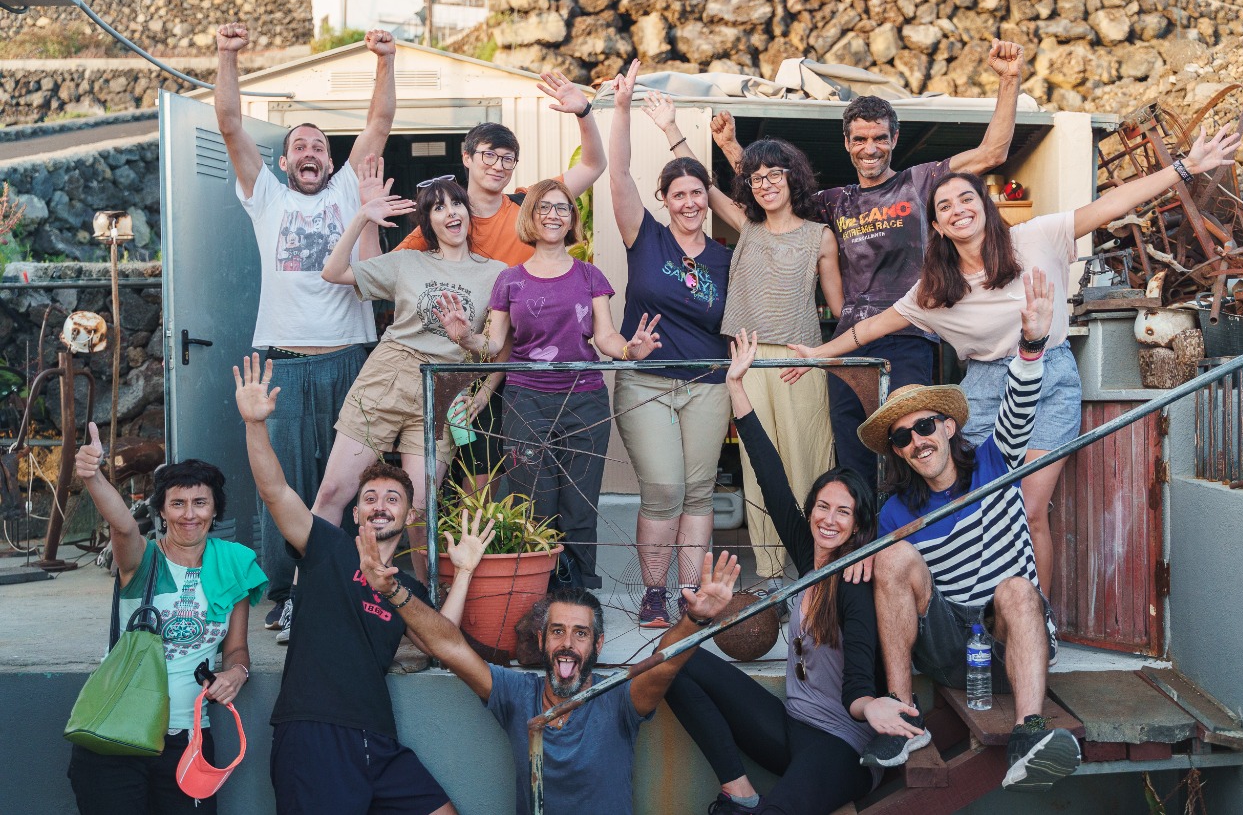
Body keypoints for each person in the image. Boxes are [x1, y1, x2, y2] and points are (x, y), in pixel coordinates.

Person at [790, 125, 1242, 599]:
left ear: (986, 208)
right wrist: (818, 354)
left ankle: (1035, 617)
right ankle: (973, 609)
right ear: (936, 226)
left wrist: (1184, 167)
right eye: (944, 207)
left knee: (1028, 510)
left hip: (1049, 379)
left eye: (967, 199)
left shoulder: (1036, 237)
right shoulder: (934, 289)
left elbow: (1110, 205)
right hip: (982, 392)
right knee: (971, 506)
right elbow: (868, 328)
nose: (957, 210)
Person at [715, 39, 1028, 488]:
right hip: (848, 343)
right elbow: (771, 191)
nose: (870, 148)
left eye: (880, 138)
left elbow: (992, 152)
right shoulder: (834, 201)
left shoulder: (920, 182)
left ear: (894, 139)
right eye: (860, 139)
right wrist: (731, 147)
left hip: (908, 336)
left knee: (913, 449)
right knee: (852, 457)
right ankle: (861, 533)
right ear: (846, 143)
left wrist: (1009, 79)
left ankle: (913, 529)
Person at [236, 353, 498, 815]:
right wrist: (255, 425)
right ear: (355, 512)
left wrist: (464, 572)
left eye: (392, 498)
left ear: (410, 515)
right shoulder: (326, 547)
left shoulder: (406, 589)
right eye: (370, 497)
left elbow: (442, 641)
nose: (380, 505)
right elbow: (275, 492)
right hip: (314, 731)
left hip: (378, 739)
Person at [853, 269, 1084, 792]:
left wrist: (1032, 344)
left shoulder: (994, 460)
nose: (917, 441)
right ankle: (905, 716)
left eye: (925, 426)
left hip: (1007, 646)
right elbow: (891, 591)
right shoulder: (896, 513)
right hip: (950, 649)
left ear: (949, 426)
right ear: (898, 452)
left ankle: (1028, 735)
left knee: (1018, 589)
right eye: (903, 437)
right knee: (890, 557)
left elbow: (1019, 404)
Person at [666, 330, 913, 815]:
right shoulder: (808, 554)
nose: (829, 519)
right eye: (823, 506)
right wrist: (736, 386)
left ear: (859, 523)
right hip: (792, 726)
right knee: (673, 660)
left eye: (843, 512)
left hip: (841, 745)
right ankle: (739, 791)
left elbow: (858, 676)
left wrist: (870, 706)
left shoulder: (855, 582)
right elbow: (770, 473)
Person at [353, 520, 741, 815]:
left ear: (598, 644)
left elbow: (664, 665)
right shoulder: (516, 695)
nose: (567, 643)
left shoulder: (616, 698)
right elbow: (449, 646)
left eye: (580, 634)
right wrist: (392, 591)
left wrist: (696, 619)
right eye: (557, 631)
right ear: (541, 641)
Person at [215, 21, 397, 634]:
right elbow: (230, 124)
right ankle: (289, 591)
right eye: (300, 146)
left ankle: (346, 584)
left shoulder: (348, 189)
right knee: (285, 484)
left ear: (331, 159)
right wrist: (227, 54)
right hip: (285, 365)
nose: (310, 153)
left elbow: (379, 122)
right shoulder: (265, 196)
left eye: (319, 145)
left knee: (348, 483)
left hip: (350, 359)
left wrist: (385, 60)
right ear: (284, 160)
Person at [644, 90, 839, 599]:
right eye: (757, 178)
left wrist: (823, 357)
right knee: (758, 469)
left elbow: (842, 312)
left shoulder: (819, 236)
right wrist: (671, 128)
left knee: (807, 464)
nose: (766, 184)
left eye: (775, 175)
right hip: (746, 362)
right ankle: (773, 578)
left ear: (793, 179)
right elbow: (702, 183)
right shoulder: (747, 226)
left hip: (798, 363)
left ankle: (816, 573)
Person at [437, 179, 662, 591]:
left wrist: (630, 350)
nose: (553, 215)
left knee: (580, 505)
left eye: (562, 207)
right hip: (526, 401)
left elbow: (605, 337)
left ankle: (579, 597)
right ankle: (536, 594)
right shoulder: (510, 280)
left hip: (585, 401)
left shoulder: (590, 275)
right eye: (544, 207)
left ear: (572, 218)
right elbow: (494, 344)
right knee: (534, 502)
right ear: (531, 216)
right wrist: (465, 337)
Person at [394, 75, 607, 495]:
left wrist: (584, 112)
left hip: (513, 363)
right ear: (467, 157)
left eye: (508, 159)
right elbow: (390, 271)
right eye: (489, 155)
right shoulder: (444, 217)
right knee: (431, 481)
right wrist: (368, 219)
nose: (498, 165)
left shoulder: (528, 206)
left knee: (490, 483)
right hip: (450, 361)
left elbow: (593, 166)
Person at [314, 157, 506, 582]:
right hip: (389, 375)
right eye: (438, 207)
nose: (450, 213)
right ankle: (305, 596)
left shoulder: (497, 274)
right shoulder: (408, 262)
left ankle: (422, 603)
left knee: (419, 510)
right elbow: (333, 271)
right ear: (428, 222)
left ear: (467, 212)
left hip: (445, 386)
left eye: (456, 204)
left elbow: (498, 347)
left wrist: (472, 358)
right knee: (333, 492)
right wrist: (363, 216)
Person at [67, 423, 266, 815]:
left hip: (188, 740)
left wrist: (237, 673)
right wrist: (93, 477)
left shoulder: (234, 565)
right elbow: (124, 525)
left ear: (215, 509)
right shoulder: (141, 559)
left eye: (200, 502)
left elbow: (236, 648)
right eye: (177, 503)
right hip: (117, 732)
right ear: (160, 510)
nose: (189, 514)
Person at [608, 60, 734, 627]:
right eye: (678, 194)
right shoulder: (645, 238)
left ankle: (689, 593)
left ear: (707, 199)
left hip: (708, 386)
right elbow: (617, 173)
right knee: (663, 489)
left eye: (697, 193)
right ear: (663, 199)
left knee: (699, 491)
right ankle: (654, 593)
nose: (688, 202)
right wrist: (622, 108)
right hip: (646, 383)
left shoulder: (725, 259)